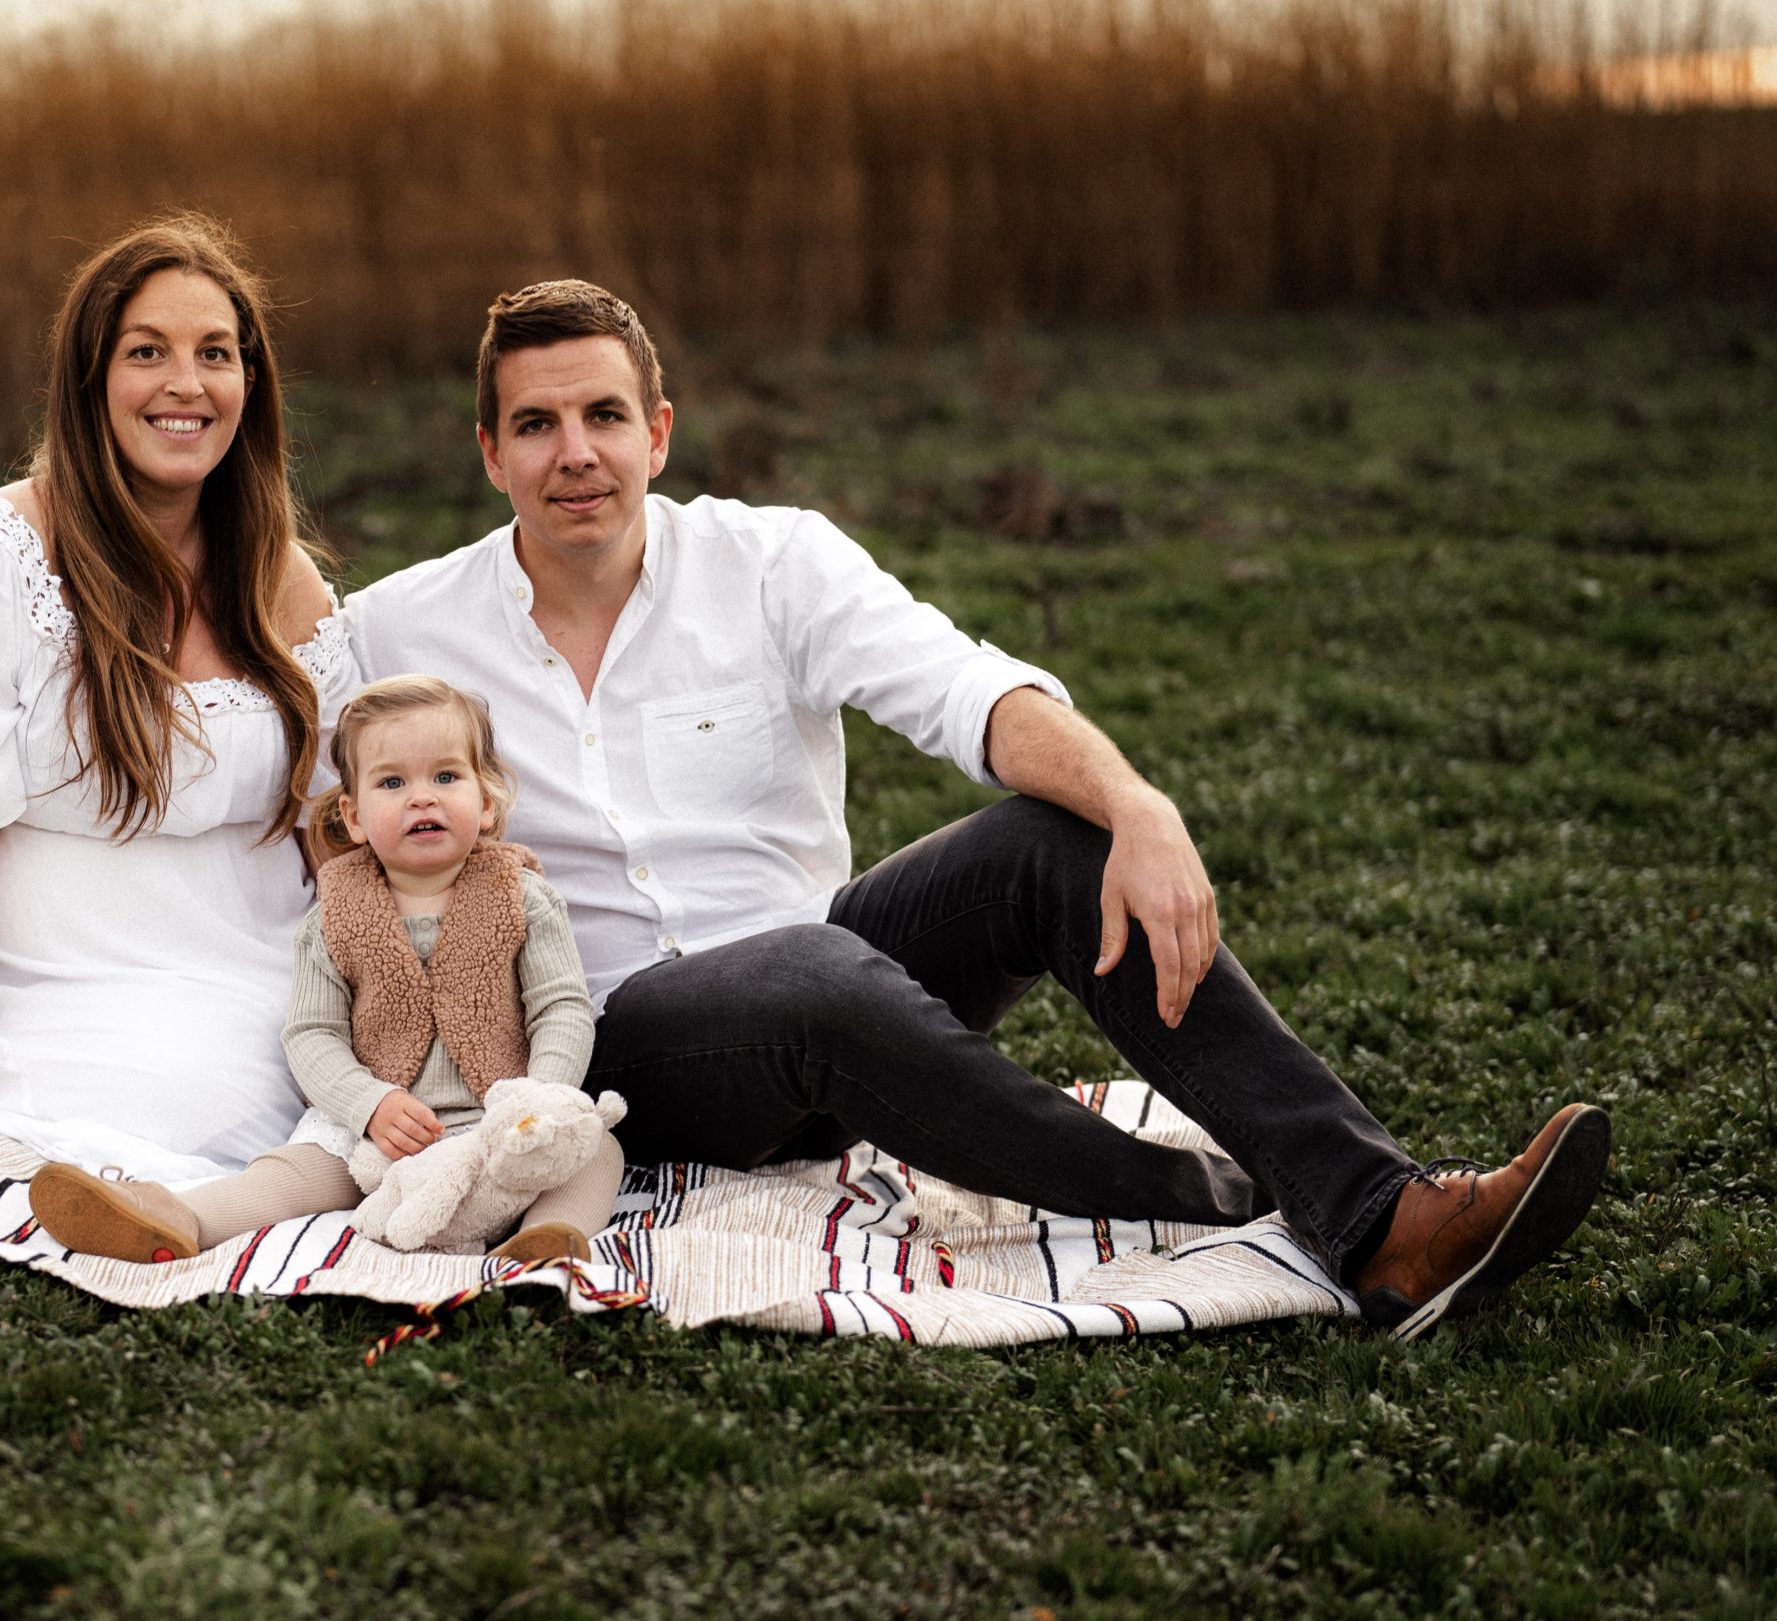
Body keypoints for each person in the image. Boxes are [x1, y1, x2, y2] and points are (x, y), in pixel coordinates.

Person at [340, 278, 1609, 1341]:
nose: (575, 453)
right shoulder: (402, 627)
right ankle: (1223, 1201)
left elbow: (968, 691)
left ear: (658, 432)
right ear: (489, 452)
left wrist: (1136, 805)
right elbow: (285, 775)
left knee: (1049, 843)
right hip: (619, 1056)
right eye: (537, 424)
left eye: (604, 415)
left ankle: (1377, 1210)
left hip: (832, 991)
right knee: (806, 969)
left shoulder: (771, 562)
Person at [0, 214, 366, 1246]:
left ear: (251, 383)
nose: (187, 384)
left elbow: (336, 840)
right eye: (147, 352)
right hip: (67, 989)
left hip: (274, 982)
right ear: (88, 378)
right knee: (169, 1096)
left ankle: (231, 1186)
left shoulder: (285, 580)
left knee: (319, 1092)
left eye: (215, 354)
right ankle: (184, 1196)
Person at [28, 673, 623, 1265]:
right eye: (392, 782)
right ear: (354, 816)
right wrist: (369, 1104)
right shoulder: (336, 916)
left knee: (597, 1151)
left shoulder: (522, 898)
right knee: (294, 1169)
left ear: (486, 803)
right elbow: (313, 1033)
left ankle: (550, 1237)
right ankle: (177, 1214)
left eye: (446, 777)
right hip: (375, 1130)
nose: (422, 797)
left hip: (503, 1121)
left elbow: (560, 1008)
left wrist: (538, 1100)